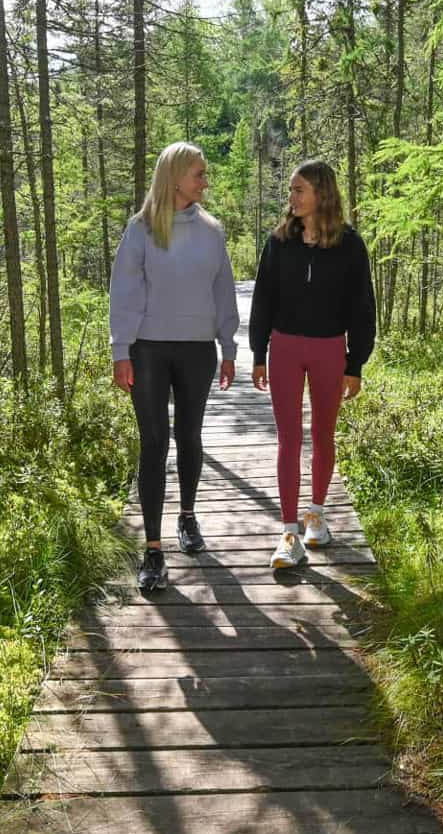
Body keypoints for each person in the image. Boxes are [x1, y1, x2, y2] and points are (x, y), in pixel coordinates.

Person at [109, 142, 240, 592]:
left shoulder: (211, 231)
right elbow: (124, 293)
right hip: (147, 351)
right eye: (199, 174)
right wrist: (120, 350)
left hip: (197, 351)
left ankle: (187, 516)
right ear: (176, 177)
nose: (205, 181)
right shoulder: (142, 229)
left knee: (189, 436)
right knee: (153, 443)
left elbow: (224, 291)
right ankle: (152, 549)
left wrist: (229, 347)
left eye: (205, 174)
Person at [250, 159, 376, 569]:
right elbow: (263, 299)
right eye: (291, 191)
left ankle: (316, 517)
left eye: (298, 190)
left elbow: (362, 308)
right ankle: (289, 533)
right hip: (284, 348)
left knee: (323, 435)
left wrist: (355, 363)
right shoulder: (279, 241)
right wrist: (258, 354)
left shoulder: (350, 245)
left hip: (328, 350)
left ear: (321, 194)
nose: (291, 198)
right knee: (289, 440)